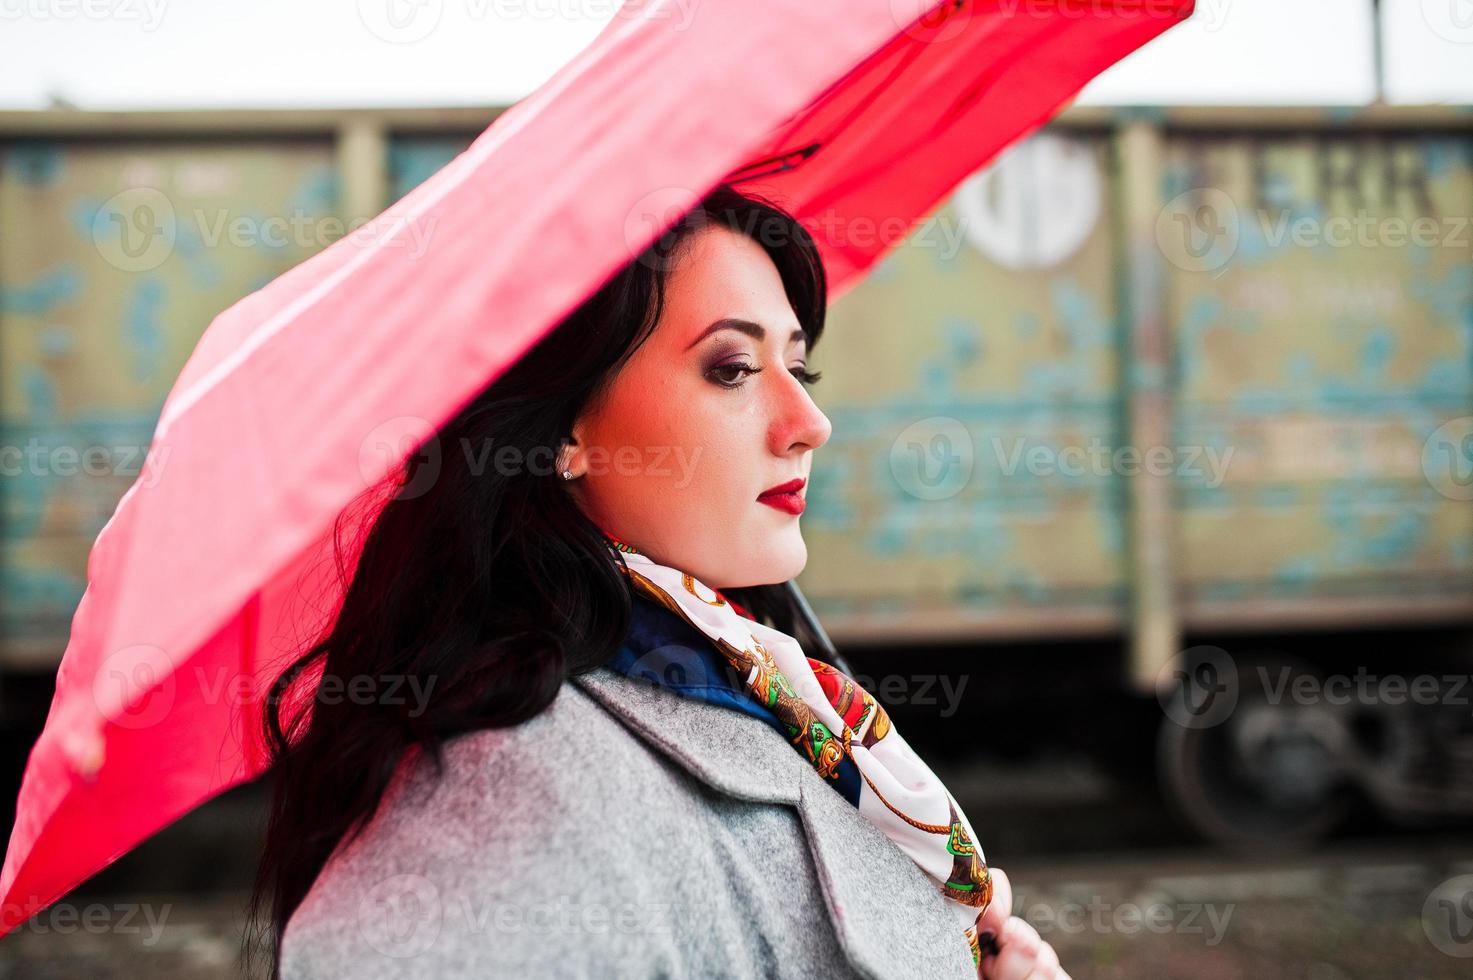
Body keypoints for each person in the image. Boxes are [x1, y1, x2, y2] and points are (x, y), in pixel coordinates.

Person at [246, 184, 1070, 979]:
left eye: (798, 368)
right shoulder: (505, 794)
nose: (808, 425)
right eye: (733, 369)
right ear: (565, 430)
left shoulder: (752, 678)